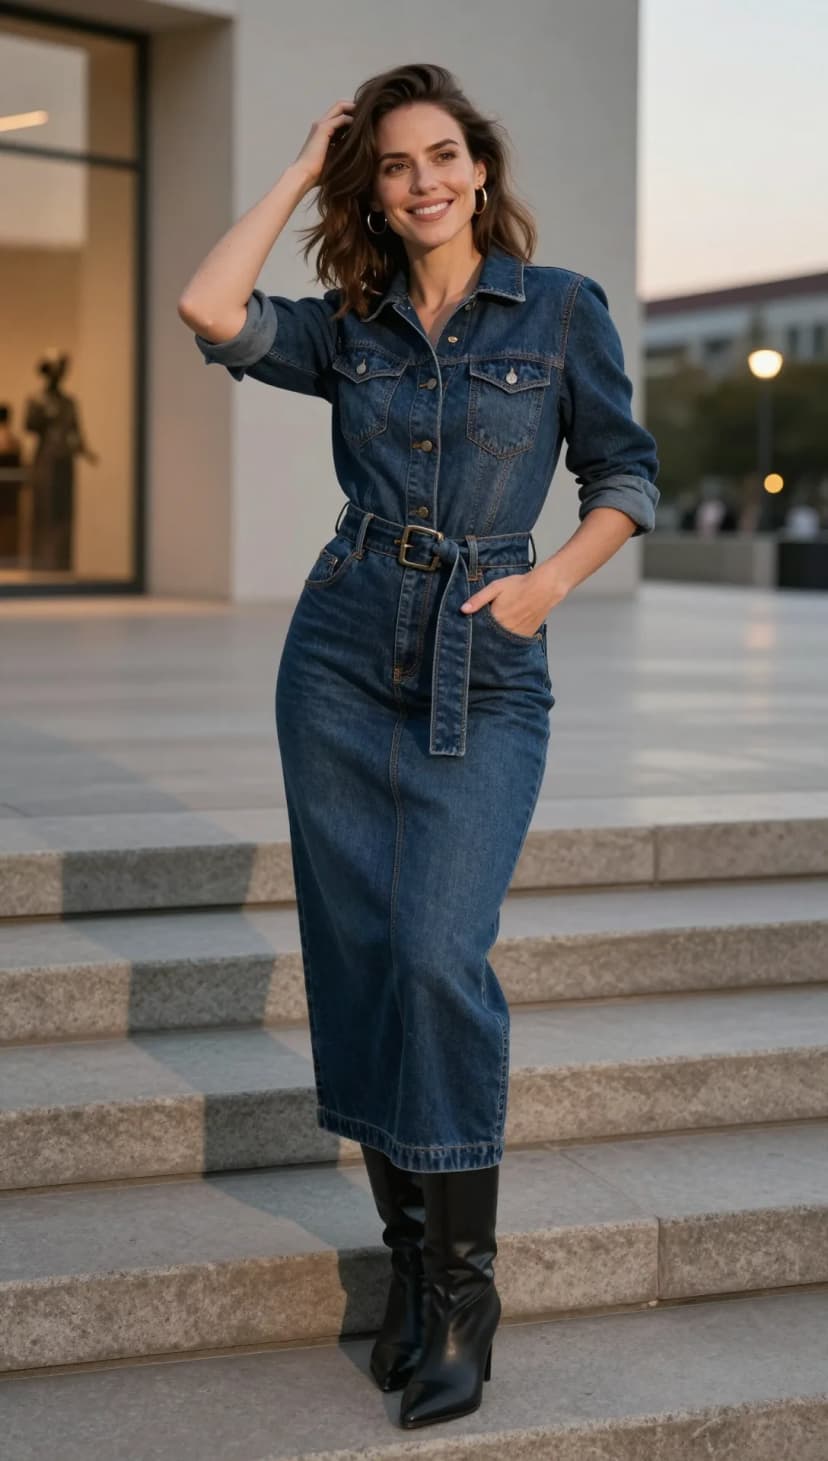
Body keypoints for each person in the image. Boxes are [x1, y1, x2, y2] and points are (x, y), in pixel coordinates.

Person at [178, 62, 660, 1431]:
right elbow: (209, 310)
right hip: (339, 657)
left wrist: (550, 584)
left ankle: (463, 1291)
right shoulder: (351, 325)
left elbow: (626, 473)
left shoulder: (560, 308)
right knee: (362, 955)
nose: (424, 180)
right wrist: (296, 165)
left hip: (485, 662)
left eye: (442, 154)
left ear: (481, 168)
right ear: (372, 190)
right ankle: (407, 1266)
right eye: (392, 164)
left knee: (439, 951)